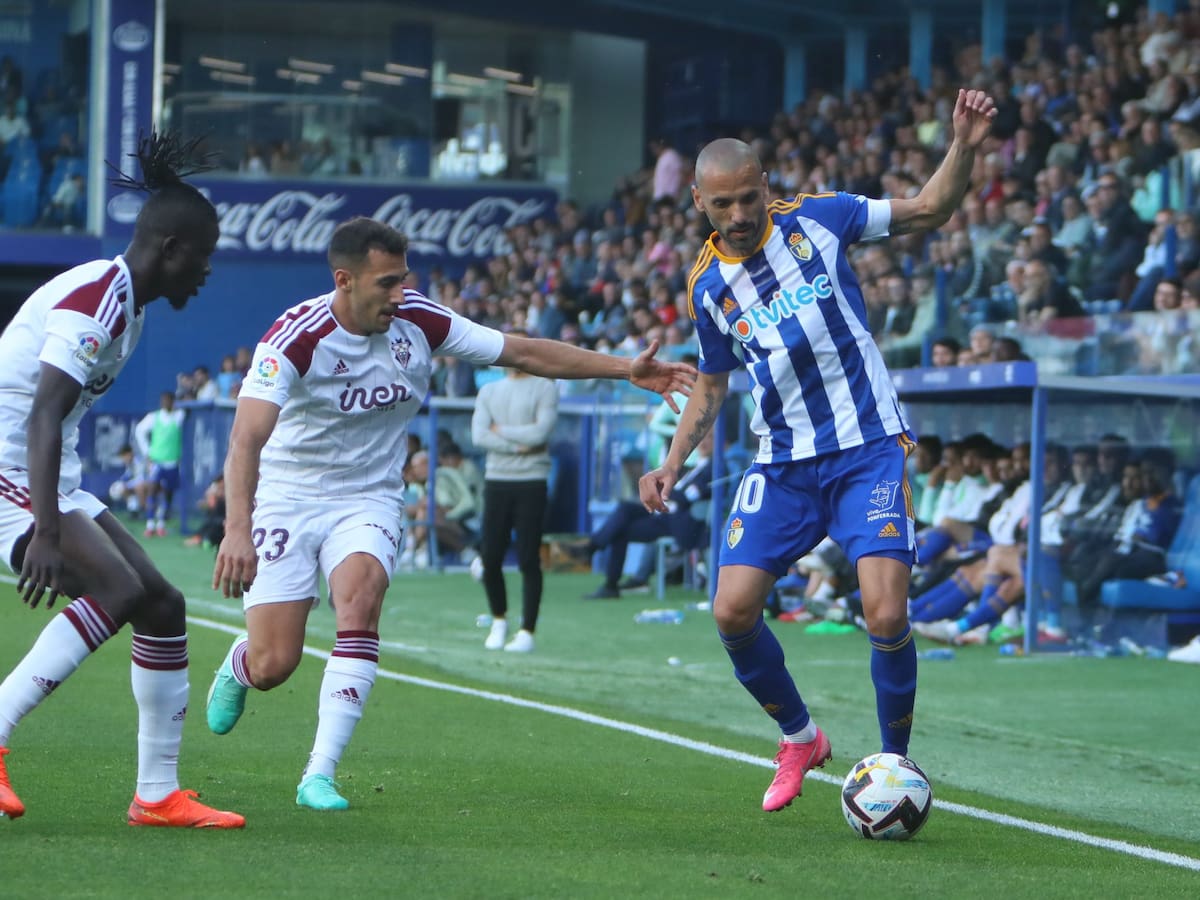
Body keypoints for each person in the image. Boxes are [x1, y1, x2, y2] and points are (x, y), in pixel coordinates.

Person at [205, 216, 694, 811]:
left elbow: (523, 350)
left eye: (403, 279)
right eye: (386, 283)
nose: (400, 293)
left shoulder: (420, 320)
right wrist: (236, 530)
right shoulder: (294, 339)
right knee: (275, 663)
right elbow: (245, 440)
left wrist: (625, 369)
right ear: (344, 280)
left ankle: (319, 774)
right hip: (289, 496)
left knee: (360, 600)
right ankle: (241, 664)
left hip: (368, 496)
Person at [638, 88, 997, 813]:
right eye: (722, 205)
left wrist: (962, 145)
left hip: (866, 447)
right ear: (699, 204)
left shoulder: (821, 219)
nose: (740, 215)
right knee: (731, 610)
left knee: (886, 614)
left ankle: (894, 766)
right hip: (782, 465)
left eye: (749, 198)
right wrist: (673, 462)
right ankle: (800, 737)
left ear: (766, 184)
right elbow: (713, 383)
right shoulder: (707, 285)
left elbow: (930, 209)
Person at [0, 132, 243, 827]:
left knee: (162, 606)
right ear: (170, 248)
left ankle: (157, 795)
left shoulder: (126, 305)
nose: (206, 272)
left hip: (46, 472)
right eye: (203, 256)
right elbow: (43, 414)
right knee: (118, 589)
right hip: (9, 468)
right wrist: (47, 533)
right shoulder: (100, 299)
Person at [470, 356, 559, 653]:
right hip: (497, 478)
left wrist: (501, 430)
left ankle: (527, 630)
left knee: (528, 557)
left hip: (532, 479)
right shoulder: (489, 391)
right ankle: (499, 619)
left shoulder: (545, 387)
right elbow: (479, 435)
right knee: (490, 555)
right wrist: (518, 446)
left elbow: (541, 432)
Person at [578, 430, 714, 600]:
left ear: (721, 442)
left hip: (677, 522)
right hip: (665, 514)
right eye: (702, 438)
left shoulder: (713, 468)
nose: (704, 442)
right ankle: (594, 550)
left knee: (621, 530)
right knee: (625, 509)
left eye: (710, 438)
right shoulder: (694, 467)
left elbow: (688, 497)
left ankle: (601, 567)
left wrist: (662, 490)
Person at [134, 390, 185, 537]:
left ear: (173, 402)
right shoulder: (153, 417)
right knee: (152, 490)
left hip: (172, 461)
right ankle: (150, 524)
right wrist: (147, 452)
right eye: (163, 400)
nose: (166, 403)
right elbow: (139, 430)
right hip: (157, 461)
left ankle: (161, 524)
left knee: (168, 493)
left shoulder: (179, 416)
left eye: (168, 400)